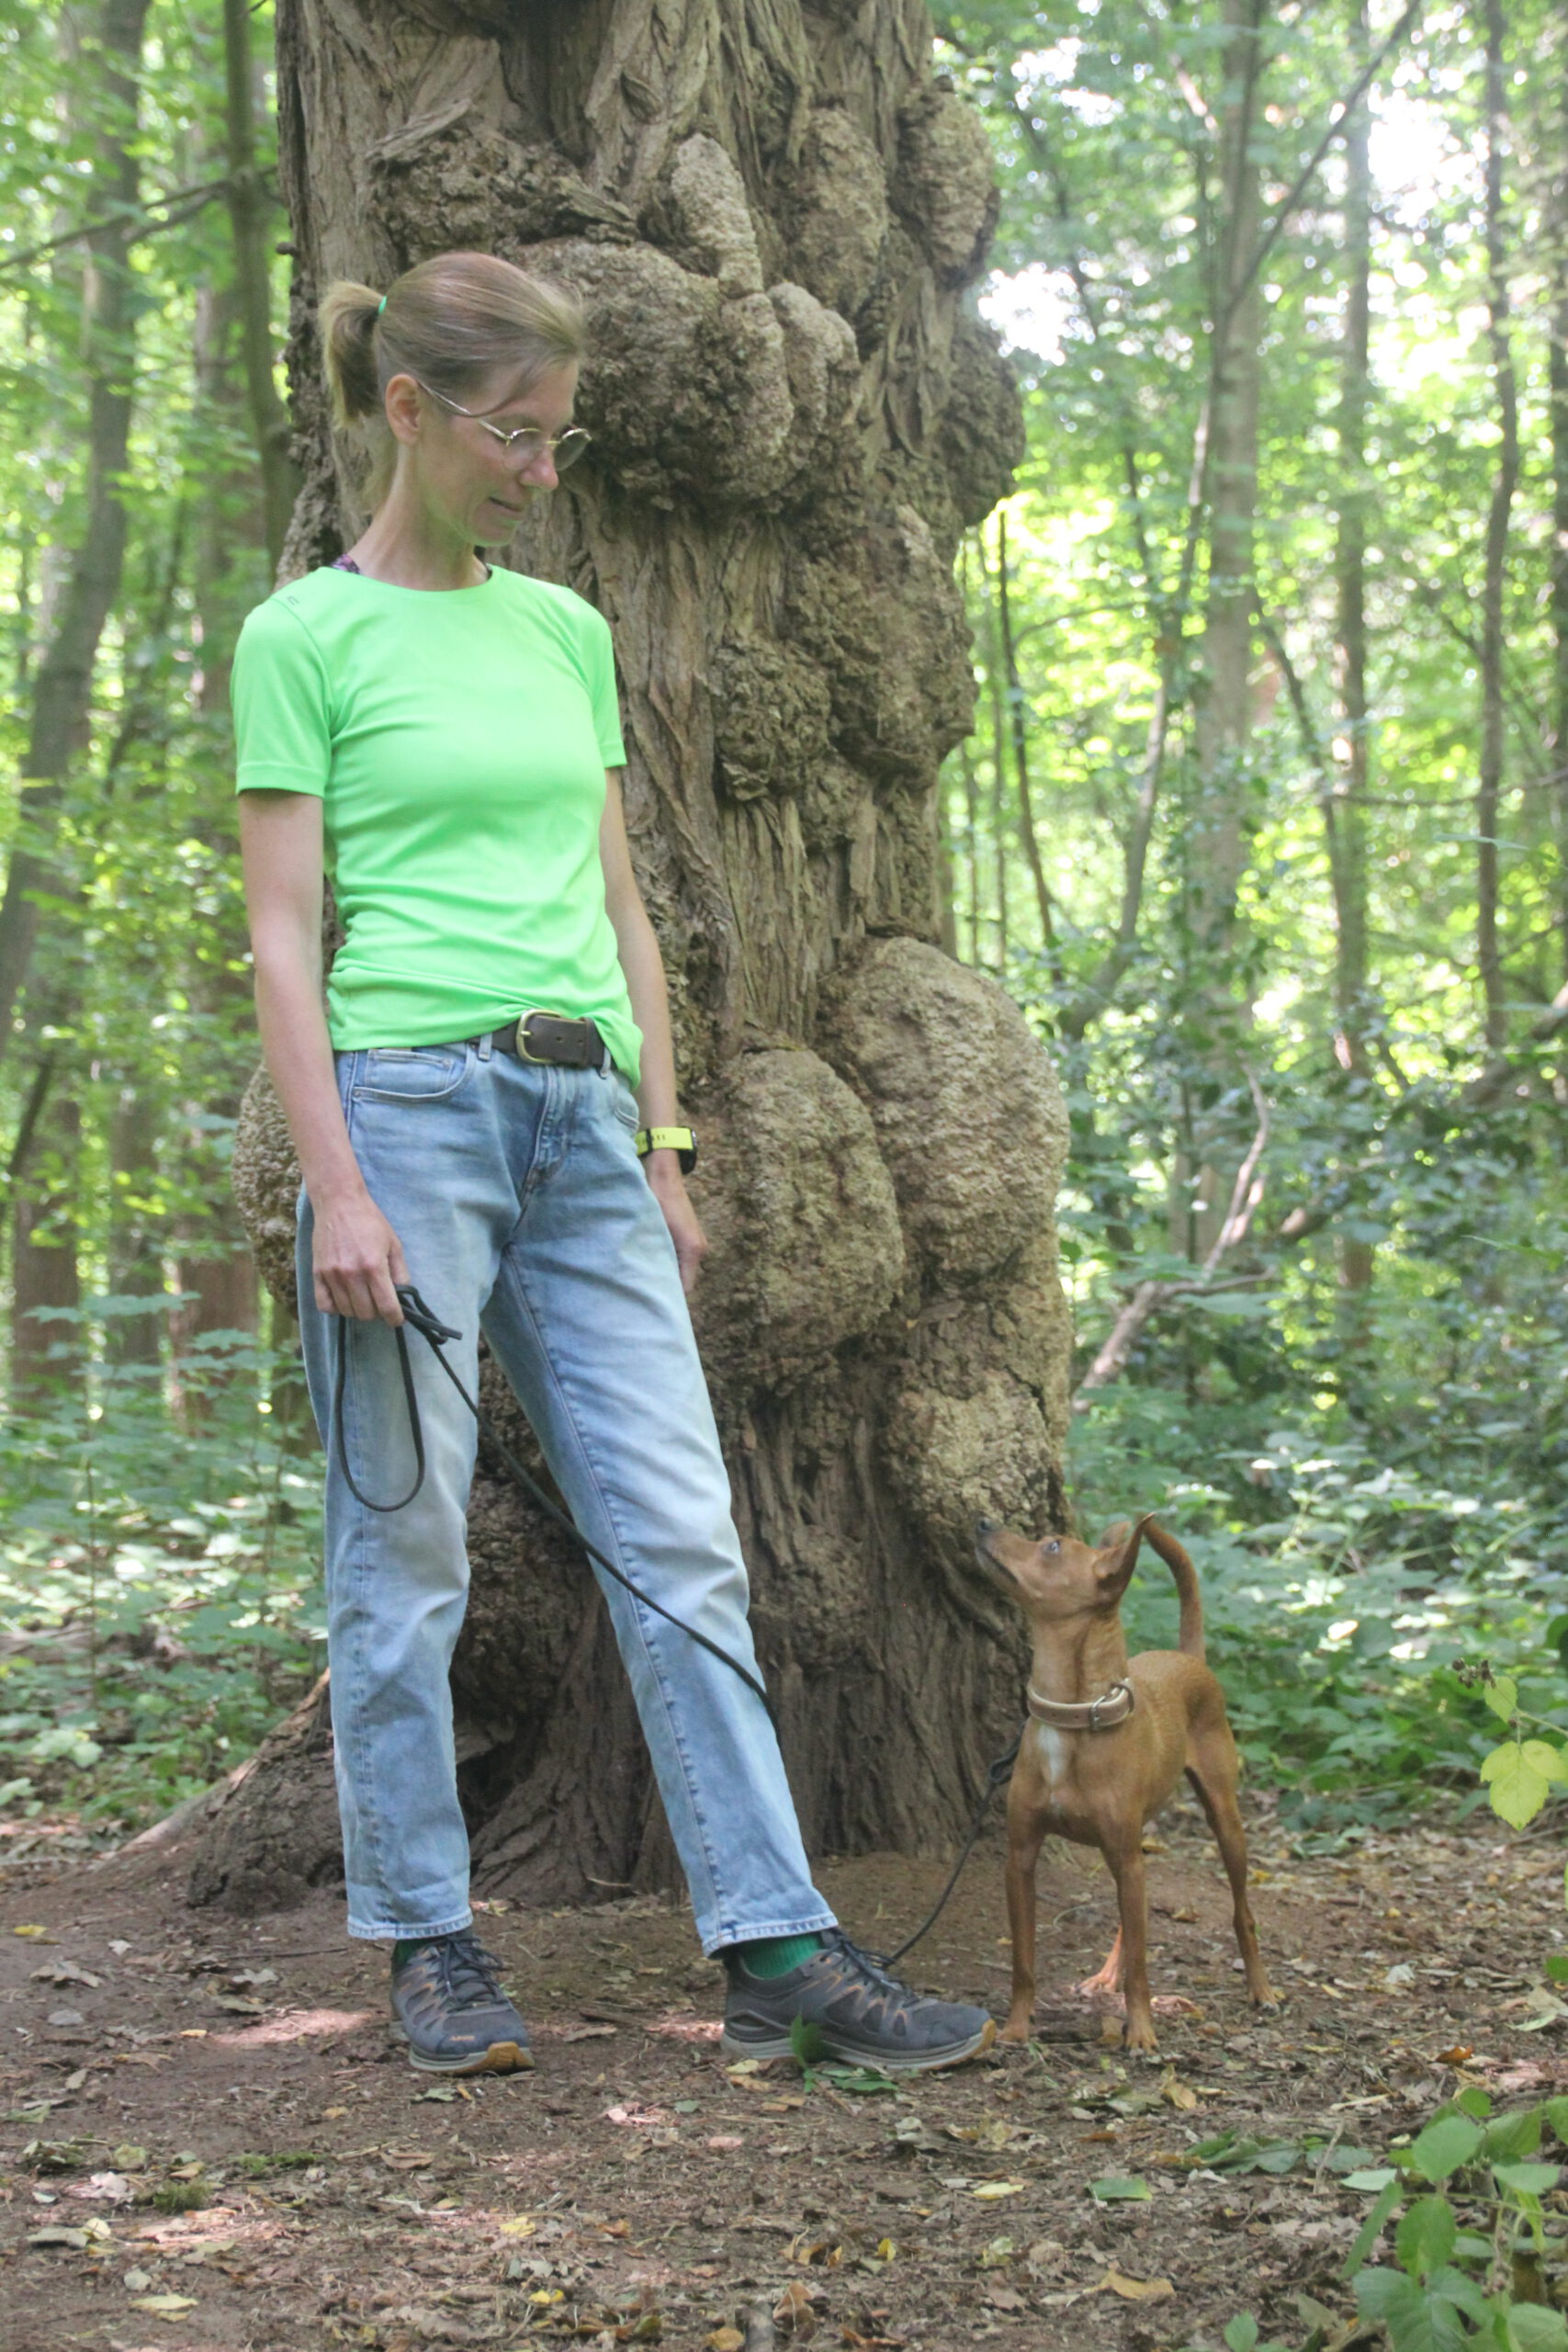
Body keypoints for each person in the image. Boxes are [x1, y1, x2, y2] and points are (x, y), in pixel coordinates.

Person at [231, 250, 994, 2078]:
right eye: (515, 431)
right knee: (402, 1549)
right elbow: (279, 935)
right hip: (405, 1112)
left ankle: (775, 1948)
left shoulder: (562, 634)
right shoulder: (303, 637)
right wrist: (336, 1183)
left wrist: (657, 1141)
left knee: (680, 1539)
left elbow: (621, 903)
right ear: (409, 410)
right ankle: (426, 1943)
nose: (542, 468)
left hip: (587, 1127)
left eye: (558, 435)